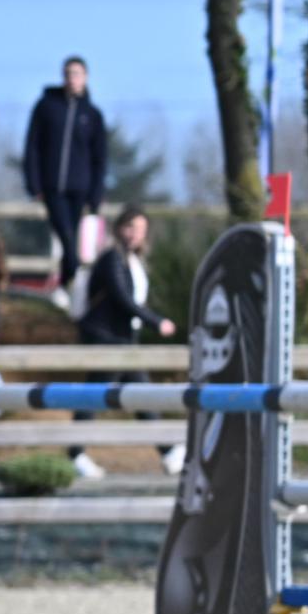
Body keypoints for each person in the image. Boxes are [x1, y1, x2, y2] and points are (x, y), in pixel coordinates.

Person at [74, 204, 180, 477]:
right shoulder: (112, 259)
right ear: (119, 228)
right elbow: (124, 300)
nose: (135, 234)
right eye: (130, 227)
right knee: (95, 394)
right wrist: (157, 322)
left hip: (121, 339)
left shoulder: (130, 260)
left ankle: (168, 451)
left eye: (141, 229)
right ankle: (75, 453)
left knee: (139, 393)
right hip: (107, 339)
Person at [20, 55, 109, 299]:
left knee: (72, 236)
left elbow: (100, 158)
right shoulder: (47, 107)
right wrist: (33, 182)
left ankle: (66, 286)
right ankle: (71, 281)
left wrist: (96, 194)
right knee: (66, 236)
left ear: (86, 78)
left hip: (80, 187)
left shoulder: (92, 115)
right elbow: (33, 146)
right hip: (52, 186)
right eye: (69, 73)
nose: (73, 78)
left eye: (77, 73)